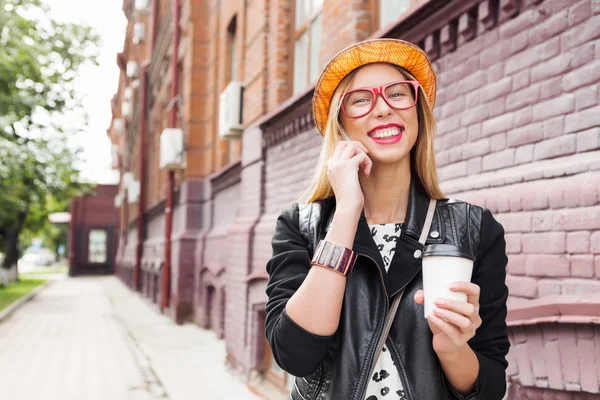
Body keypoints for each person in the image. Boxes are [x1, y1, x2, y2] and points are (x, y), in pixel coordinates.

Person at [265, 38, 509, 400]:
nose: (382, 109)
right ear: (341, 125)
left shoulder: (473, 228)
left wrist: (452, 348)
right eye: (361, 100)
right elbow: (295, 355)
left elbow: (490, 386)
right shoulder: (302, 224)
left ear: (417, 113)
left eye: (397, 94)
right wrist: (347, 210)